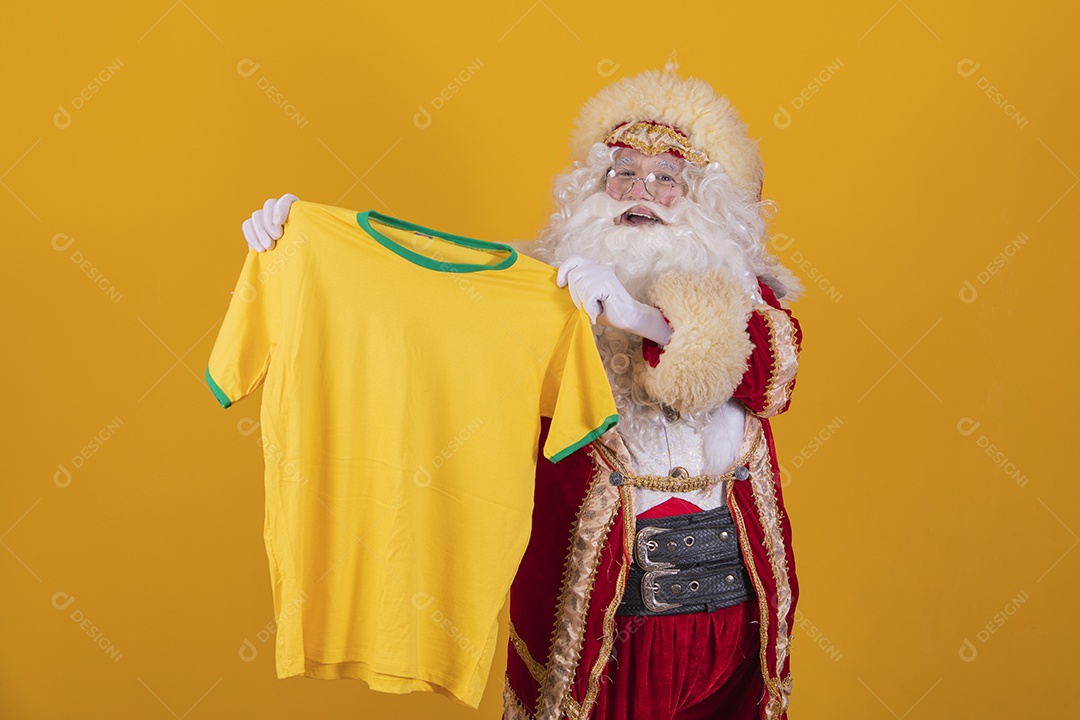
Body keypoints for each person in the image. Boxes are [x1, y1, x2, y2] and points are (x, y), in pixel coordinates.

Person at [240, 64, 802, 720]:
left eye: (666, 178)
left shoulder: (741, 297)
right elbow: (419, 307)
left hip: (737, 613)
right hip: (608, 613)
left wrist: (637, 315)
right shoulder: (542, 286)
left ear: (705, 202)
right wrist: (303, 240)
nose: (638, 190)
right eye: (621, 171)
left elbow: (766, 375)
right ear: (591, 188)